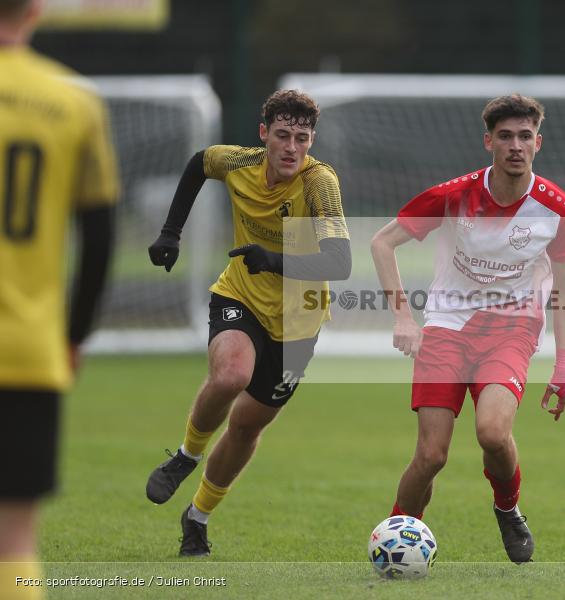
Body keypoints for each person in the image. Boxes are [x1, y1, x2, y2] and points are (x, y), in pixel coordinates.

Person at [370, 94, 565, 563]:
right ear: (488, 142)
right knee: (430, 457)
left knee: (492, 433)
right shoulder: (453, 195)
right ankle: (396, 539)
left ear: (538, 143)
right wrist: (403, 316)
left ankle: (508, 509)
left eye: (525, 136)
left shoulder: (557, 209)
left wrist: (563, 363)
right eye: (505, 136)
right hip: (447, 327)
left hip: (512, 331)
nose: (515, 145)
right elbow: (382, 243)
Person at [144, 90, 351, 556]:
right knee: (231, 374)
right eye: (282, 135)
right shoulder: (238, 162)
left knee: (246, 427)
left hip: (299, 323)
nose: (291, 148)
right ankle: (186, 455)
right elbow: (200, 163)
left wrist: (273, 260)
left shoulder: (320, 183)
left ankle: (197, 517)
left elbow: (340, 261)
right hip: (239, 295)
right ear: (264, 135)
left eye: (301, 138)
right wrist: (170, 232)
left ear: (311, 140)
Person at [0, 0, 119, 595]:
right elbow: (99, 237)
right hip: (25, 349)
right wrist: (72, 336)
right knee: (14, 541)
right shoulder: (72, 102)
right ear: (36, 10)